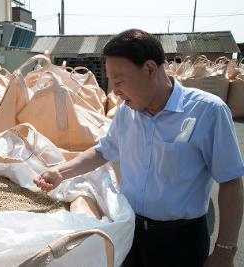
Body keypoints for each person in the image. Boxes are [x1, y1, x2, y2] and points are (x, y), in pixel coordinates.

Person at [34, 29, 243, 267]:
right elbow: (103, 151)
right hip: (130, 231)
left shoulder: (208, 111)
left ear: (150, 69)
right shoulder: (126, 113)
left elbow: (230, 180)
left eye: (120, 81)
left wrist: (225, 250)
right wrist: (60, 172)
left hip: (179, 241)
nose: (114, 91)